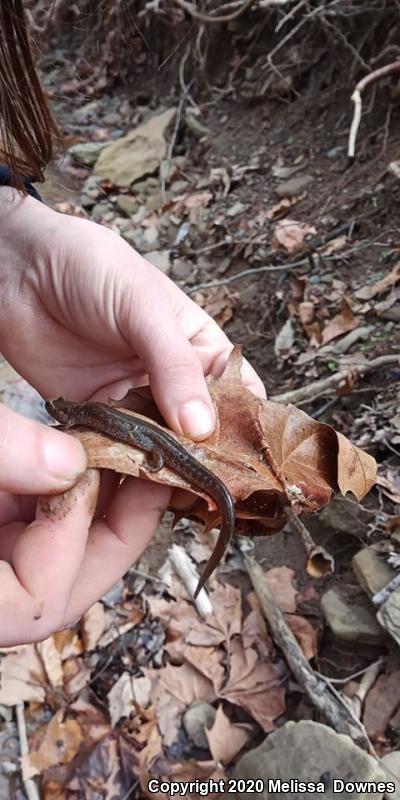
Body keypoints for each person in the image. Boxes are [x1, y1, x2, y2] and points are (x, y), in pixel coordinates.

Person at [0, 1, 265, 646]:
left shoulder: (88, 411)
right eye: (68, 415)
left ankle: (216, 508)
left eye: (67, 414)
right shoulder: (84, 414)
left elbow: (104, 418)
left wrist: (12, 239)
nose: (66, 415)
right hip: (143, 435)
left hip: (155, 441)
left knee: (170, 461)